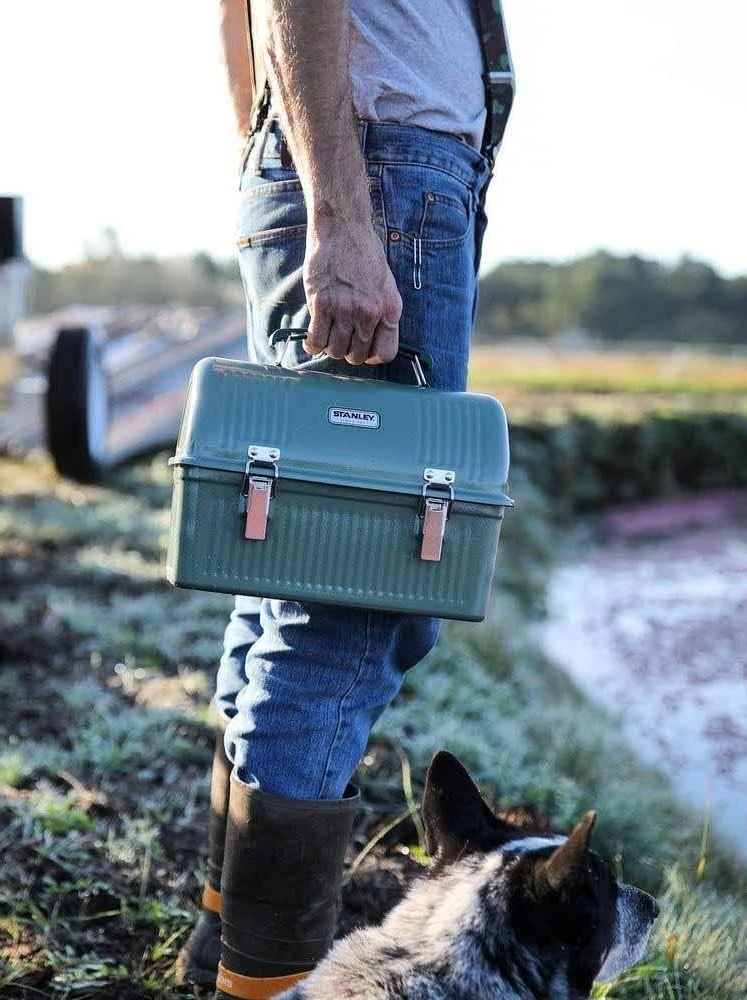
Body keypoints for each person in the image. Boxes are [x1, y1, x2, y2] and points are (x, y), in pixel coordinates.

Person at [176, 2, 514, 997]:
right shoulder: (357, 194)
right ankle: (264, 984)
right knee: (348, 607)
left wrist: (284, 158)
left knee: (293, 576)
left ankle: (226, 945)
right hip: (379, 176)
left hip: (359, 168)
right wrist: (339, 215)